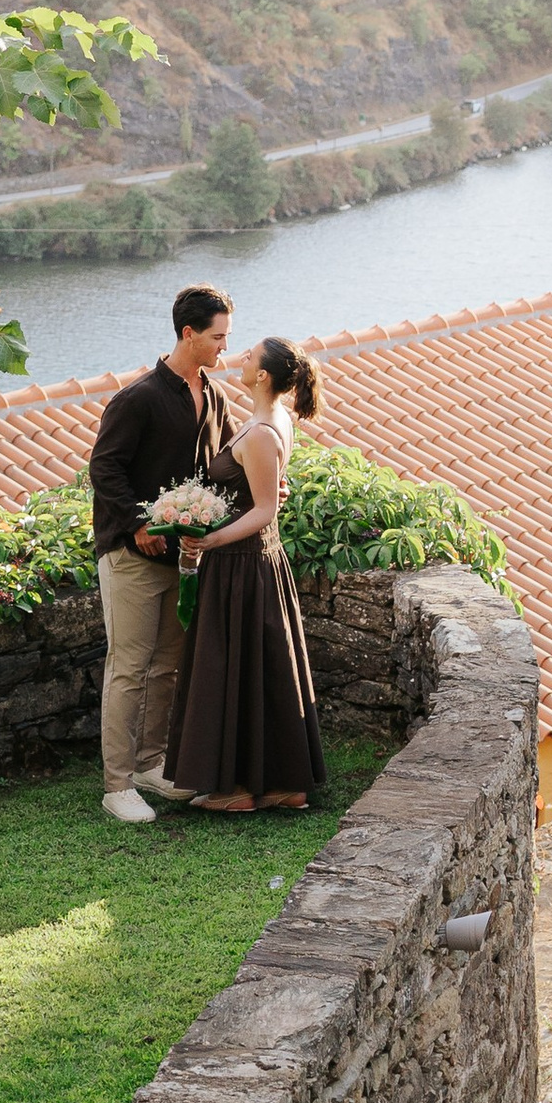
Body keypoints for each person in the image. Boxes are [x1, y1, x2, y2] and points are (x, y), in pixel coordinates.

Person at [166, 336, 331, 816]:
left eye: (249, 356)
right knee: (264, 669)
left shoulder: (261, 431)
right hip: (256, 562)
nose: (239, 357)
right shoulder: (271, 420)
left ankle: (237, 788)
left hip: (242, 563)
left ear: (262, 376)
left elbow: (263, 510)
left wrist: (210, 540)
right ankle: (282, 784)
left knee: (231, 669)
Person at [88, 283, 231, 826]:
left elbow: (219, 468)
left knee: (167, 666)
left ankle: (150, 766)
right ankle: (117, 785)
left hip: (182, 558)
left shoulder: (214, 395)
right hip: (130, 557)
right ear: (188, 333)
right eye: (217, 337)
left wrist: (270, 487)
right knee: (127, 667)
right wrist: (137, 522)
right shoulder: (138, 398)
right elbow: (104, 469)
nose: (224, 347)